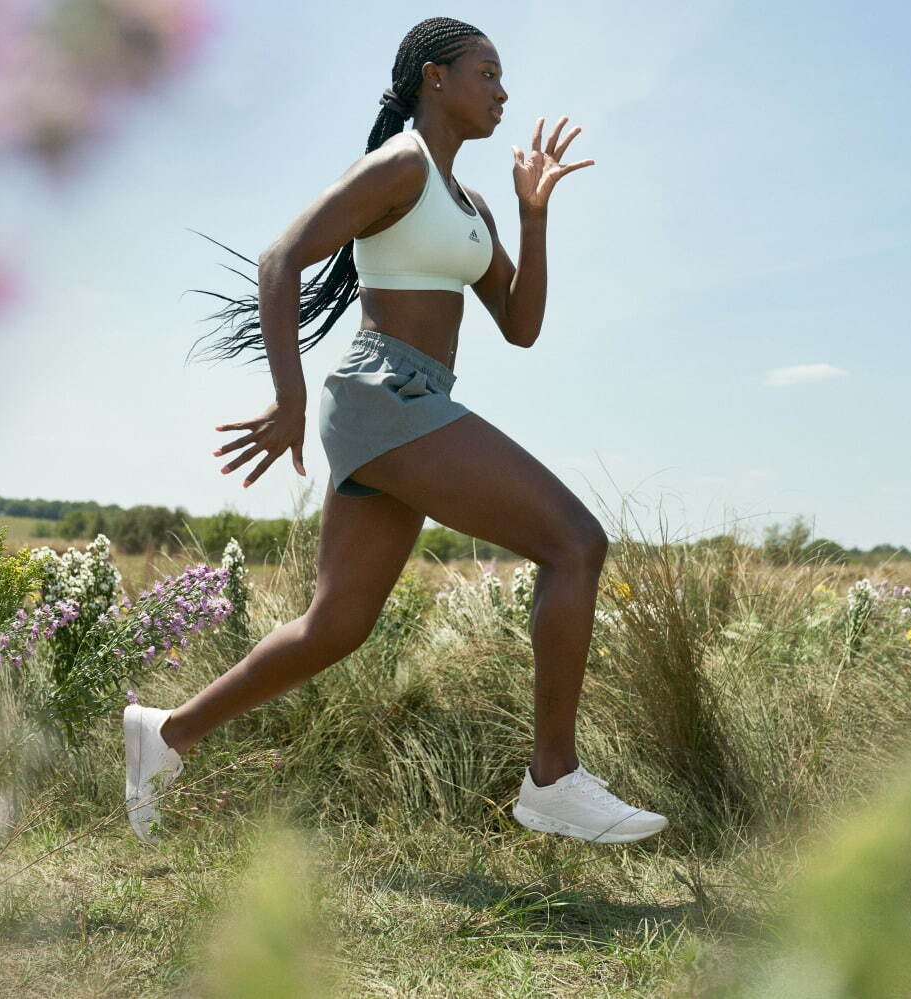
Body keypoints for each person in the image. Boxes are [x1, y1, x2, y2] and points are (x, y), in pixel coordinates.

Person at [125, 16, 668, 846]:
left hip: (414, 399)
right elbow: (282, 257)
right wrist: (289, 397)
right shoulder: (400, 165)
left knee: (335, 625)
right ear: (433, 79)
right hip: (386, 394)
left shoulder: (470, 203)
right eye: (487, 72)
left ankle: (166, 734)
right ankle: (552, 778)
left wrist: (532, 215)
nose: (503, 90)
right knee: (575, 543)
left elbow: (520, 326)